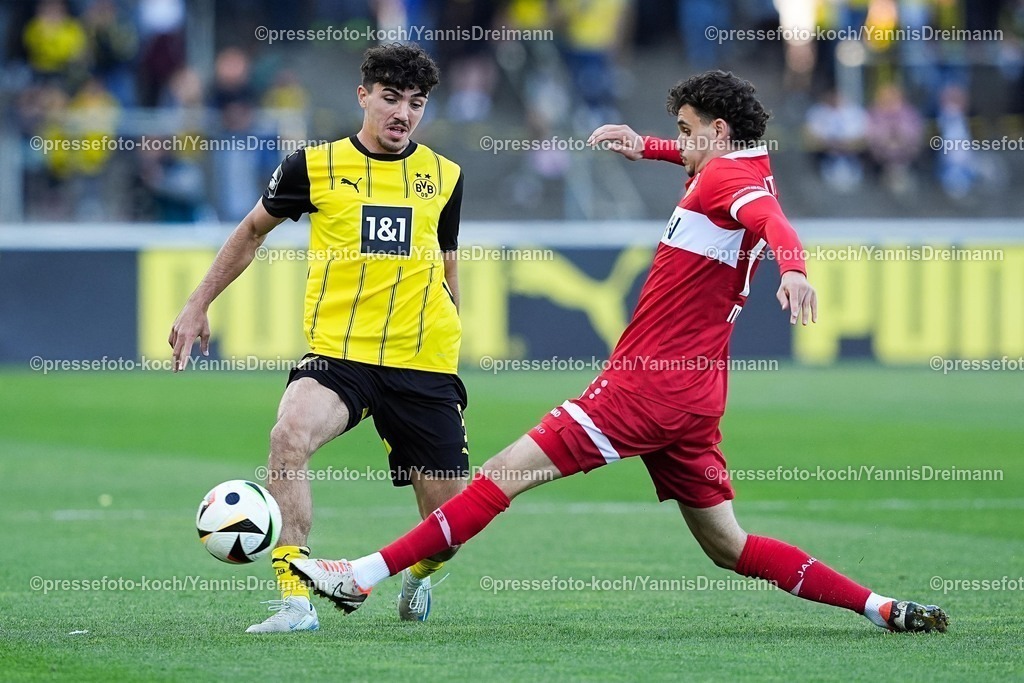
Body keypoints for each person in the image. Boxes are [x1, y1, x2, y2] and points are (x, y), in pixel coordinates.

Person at [290, 71, 948, 634]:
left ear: (717, 132)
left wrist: (795, 269)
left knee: (500, 474)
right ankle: (880, 605)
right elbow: (737, 188)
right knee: (729, 545)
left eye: (686, 130)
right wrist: (651, 147)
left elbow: (772, 223)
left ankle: (363, 575)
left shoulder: (727, 184)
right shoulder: (746, 164)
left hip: (646, 388)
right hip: (694, 399)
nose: (682, 143)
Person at [169, 43, 469, 632]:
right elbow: (251, 231)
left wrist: (450, 335)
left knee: (452, 528)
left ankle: (417, 574)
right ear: (363, 96)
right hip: (339, 355)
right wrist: (198, 302)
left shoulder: (446, 177)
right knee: (289, 435)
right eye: (389, 98)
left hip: (423, 359)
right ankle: (295, 601)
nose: (402, 114)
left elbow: (448, 263)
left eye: (415, 102)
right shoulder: (314, 166)